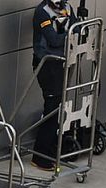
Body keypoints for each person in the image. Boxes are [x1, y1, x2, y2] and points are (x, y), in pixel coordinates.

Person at [31, 0, 78, 170]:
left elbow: (78, 29)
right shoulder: (42, 12)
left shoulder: (67, 7)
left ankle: (50, 150)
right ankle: (39, 155)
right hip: (47, 64)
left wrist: (72, 33)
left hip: (63, 63)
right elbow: (53, 39)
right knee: (51, 109)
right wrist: (70, 35)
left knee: (58, 108)